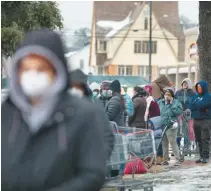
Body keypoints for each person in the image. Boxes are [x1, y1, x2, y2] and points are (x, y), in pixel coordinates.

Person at [1, 29, 114, 191]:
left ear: (56, 70)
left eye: (41, 68)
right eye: (26, 68)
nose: (32, 75)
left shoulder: (85, 114)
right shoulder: (7, 113)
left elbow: (93, 173)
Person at [158, 88, 183, 166]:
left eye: (169, 94)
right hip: (163, 124)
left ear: (172, 95)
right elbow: (158, 112)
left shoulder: (176, 103)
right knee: (164, 142)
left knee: (172, 141)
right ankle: (165, 159)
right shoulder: (160, 102)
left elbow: (178, 112)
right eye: (166, 94)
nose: (167, 96)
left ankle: (178, 159)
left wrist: (172, 103)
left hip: (171, 125)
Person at [189, 80, 211, 164]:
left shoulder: (208, 97)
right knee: (198, 139)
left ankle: (205, 156)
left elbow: (203, 105)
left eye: (200, 87)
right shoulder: (195, 97)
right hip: (196, 120)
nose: (199, 89)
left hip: (205, 120)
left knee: (205, 138)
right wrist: (199, 106)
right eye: (197, 87)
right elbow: (191, 106)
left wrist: (198, 105)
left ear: (204, 87)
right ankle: (201, 156)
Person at [175, 78, 196, 153]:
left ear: (189, 84)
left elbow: (195, 104)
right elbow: (175, 103)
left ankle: (186, 147)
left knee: (187, 131)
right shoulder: (178, 92)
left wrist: (190, 110)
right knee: (178, 131)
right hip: (179, 114)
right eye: (183, 83)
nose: (184, 84)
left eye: (186, 83)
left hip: (189, 115)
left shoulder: (193, 93)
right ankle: (176, 147)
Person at [144, 85, 162, 164]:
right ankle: (154, 157)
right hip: (150, 123)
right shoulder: (148, 101)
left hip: (153, 124)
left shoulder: (152, 102)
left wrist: (151, 122)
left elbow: (156, 114)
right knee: (152, 140)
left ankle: (158, 157)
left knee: (156, 140)